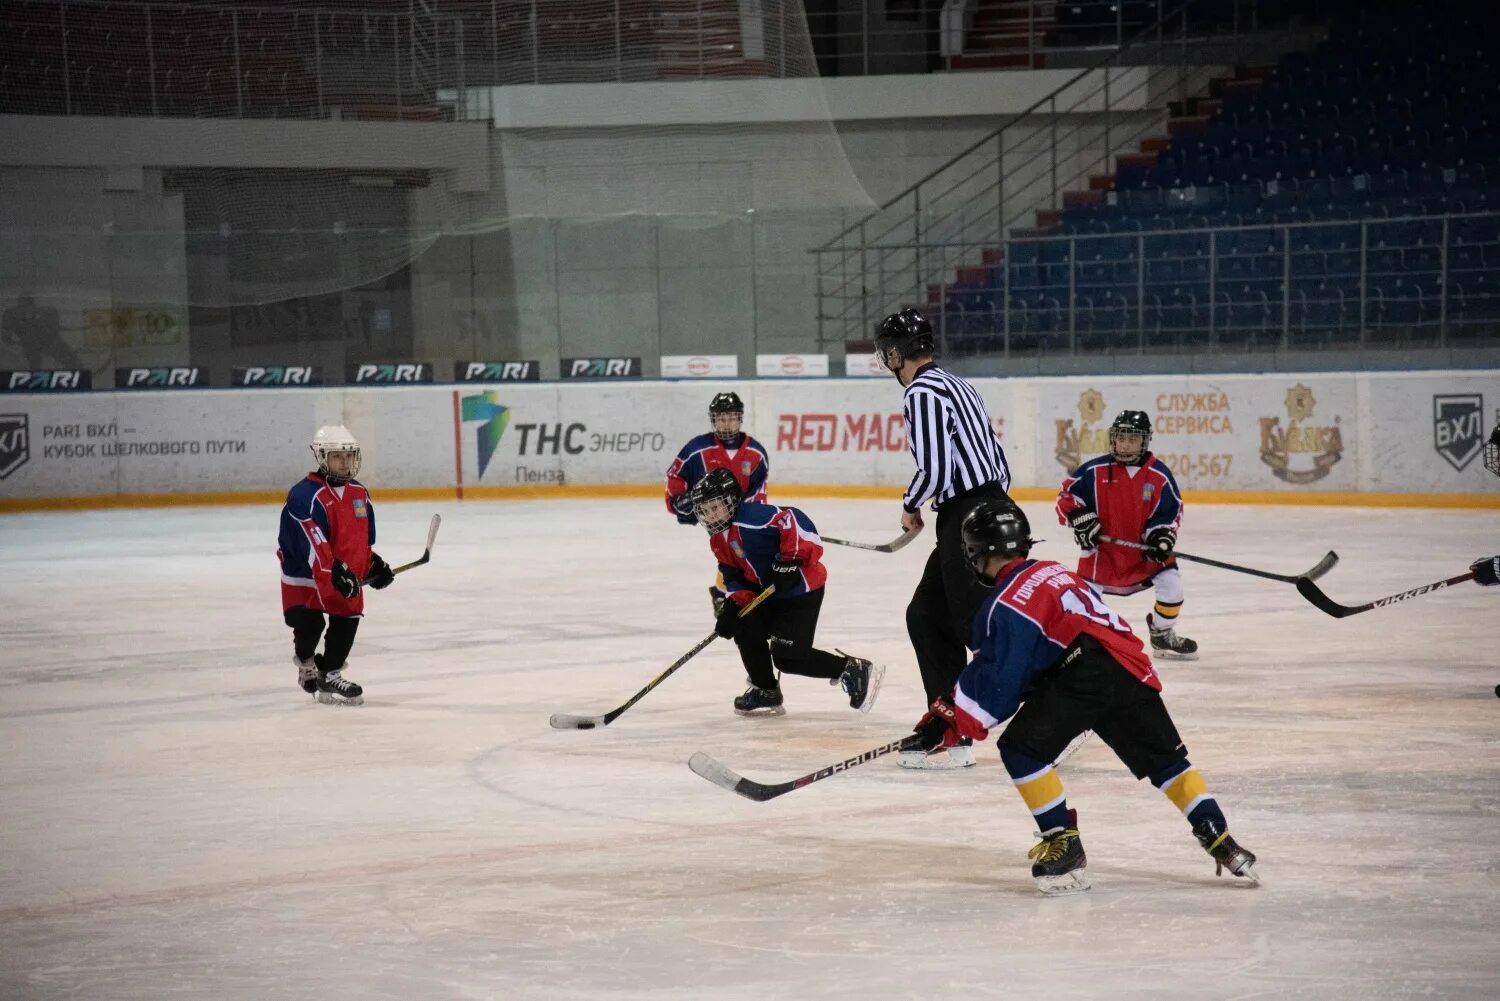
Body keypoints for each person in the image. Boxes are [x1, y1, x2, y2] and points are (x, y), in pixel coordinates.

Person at [909, 501, 1258, 895]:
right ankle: (1220, 837)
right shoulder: (1055, 570)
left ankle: (1064, 842)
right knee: (1168, 764)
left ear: (977, 554)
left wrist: (951, 720)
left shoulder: (1003, 605)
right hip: (1129, 669)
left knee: (1021, 751)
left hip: (1081, 677)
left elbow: (999, 682)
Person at [874, 307, 1014, 769]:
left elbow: (934, 470)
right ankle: (951, 723)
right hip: (988, 510)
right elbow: (998, 461)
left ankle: (1058, 707)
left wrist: (912, 504)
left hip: (967, 517)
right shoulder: (960, 385)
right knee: (927, 615)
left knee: (982, 627)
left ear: (896, 354)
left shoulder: (922, 392)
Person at [692, 467, 881, 717]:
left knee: (788, 657)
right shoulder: (717, 539)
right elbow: (732, 573)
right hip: (770, 594)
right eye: (705, 510)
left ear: (731, 501)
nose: (711, 515)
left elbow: (793, 520)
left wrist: (789, 560)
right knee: (743, 627)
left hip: (800, 591)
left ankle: (851, 669)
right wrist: (734, 603)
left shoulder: (752, 517)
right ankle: (765, 689)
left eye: (715, 507)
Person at [1055, 409, 1196, 660]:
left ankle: (1162, 633)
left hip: (1145, 555)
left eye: (1133, 439)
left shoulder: (1159, 475)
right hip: (1103, 554)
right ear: (1113, 439)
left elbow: (1170, 512)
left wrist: (1161, 537)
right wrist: (1079, 518)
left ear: (1144, 441)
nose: (1126, 444)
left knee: (1173, 587)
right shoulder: (1093, 471)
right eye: (1121, 438)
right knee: (1082, 603)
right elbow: (1066, 497)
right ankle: (1077, 643)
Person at [276, 424, 395, 707]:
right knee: (309, 623)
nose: (345, 462)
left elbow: (362, 541)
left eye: (349, 456)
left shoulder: (359, 494)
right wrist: (335, 571)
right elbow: (313, 544)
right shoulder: (304, 495)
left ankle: (329, 673)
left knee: (348, 616)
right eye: (337, 456)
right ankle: (306, 661)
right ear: (322, 458)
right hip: (304, 573)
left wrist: (372, 566)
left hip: (342, 572)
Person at [665, 391, 771, 612]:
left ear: (740, 418)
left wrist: (749, 516)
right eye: (721, 418)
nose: (726, 423)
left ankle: (725, 592)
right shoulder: (697, 449)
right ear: (714, 420)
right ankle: (729, 593)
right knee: (730, 553)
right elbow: (676, 476)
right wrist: (679, 500)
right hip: (715, 516)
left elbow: (759, 489)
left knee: (742, 553)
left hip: (742, 518)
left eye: (731, 418)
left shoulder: (755, 453)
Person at [1, 294, 79, 369]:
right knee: (35, 364)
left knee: (70, 360)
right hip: (38, 343)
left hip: (46, 342)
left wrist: (11, 340)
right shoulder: (11, 313)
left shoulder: (47, 310)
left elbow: (6, 334)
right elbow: (6, 332)